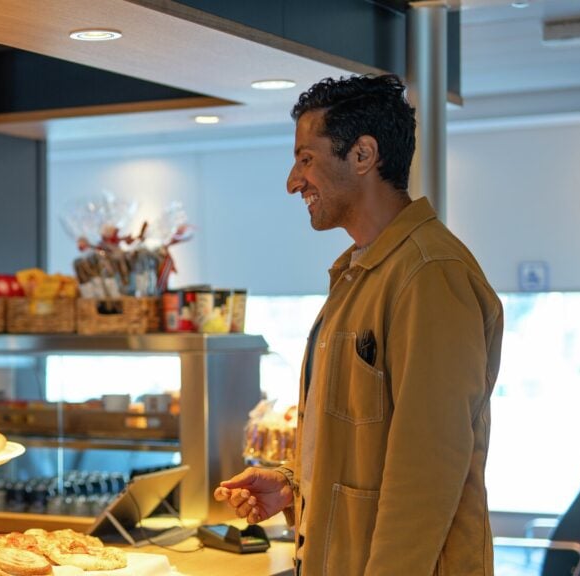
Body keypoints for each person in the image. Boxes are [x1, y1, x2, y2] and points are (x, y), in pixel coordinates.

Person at [215, 74, 504, 575]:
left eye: (306, 159)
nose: (293, 181)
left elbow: (426, 472)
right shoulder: (360, 274)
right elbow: (364, 443)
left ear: (363, 155)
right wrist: (295, 485)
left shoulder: (430, 274)